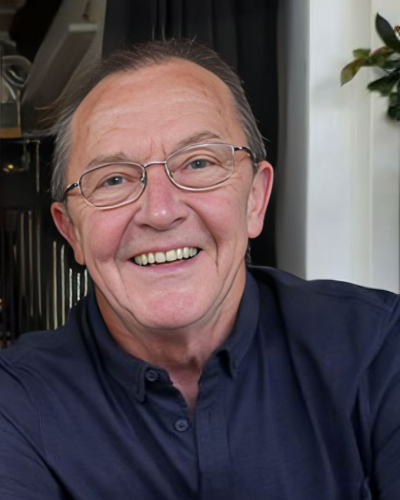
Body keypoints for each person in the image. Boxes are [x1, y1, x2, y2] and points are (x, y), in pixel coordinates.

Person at [0, 39, 399, 500]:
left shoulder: (378, 348)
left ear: (255, 200)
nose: (160, 211)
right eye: (114, 179)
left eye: (198, 163)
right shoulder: (15, 402)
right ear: (71, 231)